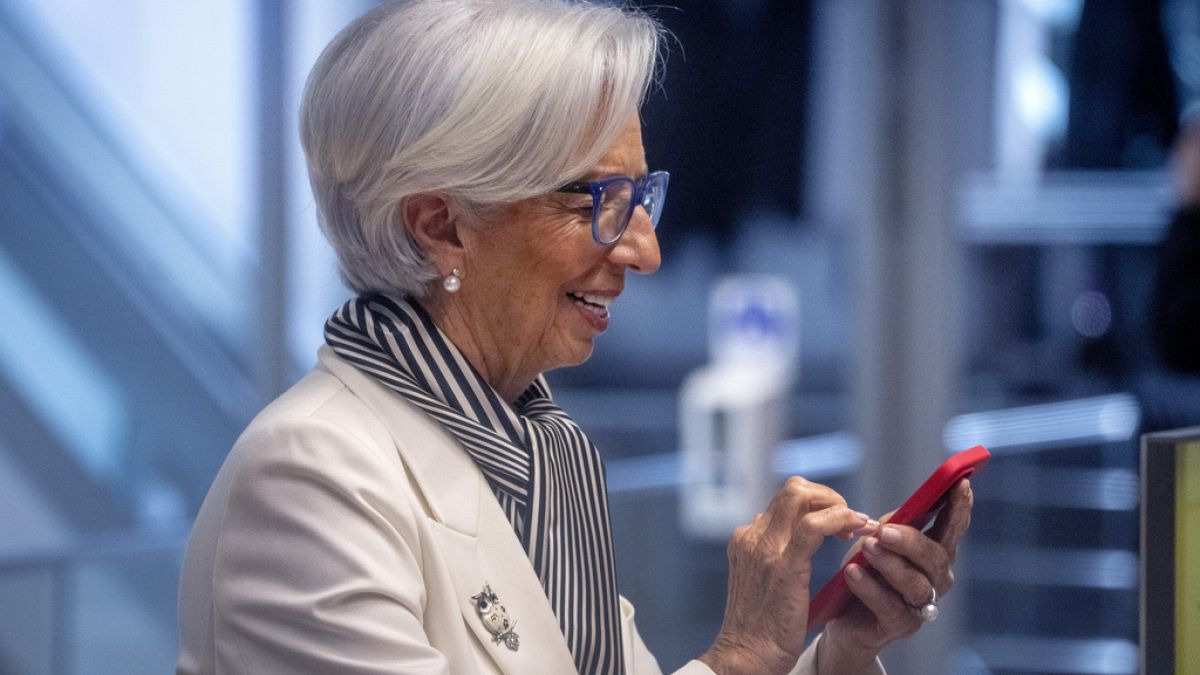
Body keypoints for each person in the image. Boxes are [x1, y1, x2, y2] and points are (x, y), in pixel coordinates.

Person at [176, 1, 974, 673]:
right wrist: (740, 654)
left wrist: (837, 645)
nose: (644, 249)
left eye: (641, 197)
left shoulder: (536, 448)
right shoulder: (310, 475)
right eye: (596, 200)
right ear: (441, 226)